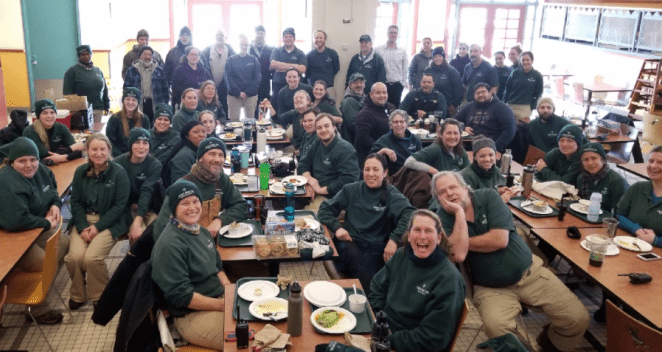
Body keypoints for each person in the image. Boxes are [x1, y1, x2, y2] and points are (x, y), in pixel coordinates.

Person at [433, 171, 590, 352]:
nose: (450, 193)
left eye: (453, 187)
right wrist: (459, 213)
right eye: (442, 192)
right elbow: (457, 255)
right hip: (490, 288)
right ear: (438, 199)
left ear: (464, 188)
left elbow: (499, 240)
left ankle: (547, 345)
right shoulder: (442, 218)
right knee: (498, 330)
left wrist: (462, 242)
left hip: (531, 274)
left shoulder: (489, 196)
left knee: (577, 319)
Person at [369, 209, 466, 352]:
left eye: (428, 231)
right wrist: (379, 322)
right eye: (417, 230)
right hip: (382, 330)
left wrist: (390, 340)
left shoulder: (449, 279)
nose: (422, 236)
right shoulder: (401, 255)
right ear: (409, 236)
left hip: (409, 345)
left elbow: (433, 338)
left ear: (439, 238)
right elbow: (377, 288)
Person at [318, 153, 415, 296]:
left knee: (387, 277)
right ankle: (370, 305)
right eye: (366, 169)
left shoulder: (391, 194)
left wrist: (394, 239)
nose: (370, 174)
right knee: (363, 270)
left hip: (378, 248)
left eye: (375, 169)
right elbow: (324, 209)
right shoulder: (351, 189)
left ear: (385, 173)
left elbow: (411, 215)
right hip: (351, 243)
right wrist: (337, 227)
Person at [151, 180, 230, 350]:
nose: (192, 207)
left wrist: (230, 291)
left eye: (195, 201)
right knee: (245, 338)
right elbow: (182, 296)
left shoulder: (201, 231)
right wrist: (223, 305)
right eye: (184, 203)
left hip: (218, 298)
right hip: (191, 315)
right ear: (173, 208)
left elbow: (217, 267)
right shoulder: (169, 245)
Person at [0, 137, 70, 324]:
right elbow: (16, 221)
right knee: (43, 263)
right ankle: (37, 309)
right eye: (22, 161)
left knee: (63, 243)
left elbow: (53, 190)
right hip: (11, 235)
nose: (29, 165)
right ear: (11, 161)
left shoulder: (42, 171)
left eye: (33, 159)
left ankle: (37, 289)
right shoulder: (7, 182)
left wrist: (56, 204)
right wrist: (46, 223)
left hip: (33, 228)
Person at [65, 133, 130, 310]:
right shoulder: (80, 172)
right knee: (74, 258)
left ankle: (100, 294)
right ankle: (78, 294)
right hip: (83, 220)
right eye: (94, 149)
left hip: (110, 221)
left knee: (92, 258)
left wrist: (97, 227)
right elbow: (75, 201)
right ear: (87, 150)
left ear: (109, 150)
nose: (98, 153)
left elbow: (119, 206)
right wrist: (83, 226)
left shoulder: (119, 173)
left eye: (103, 149)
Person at [151, 137, 246, 241]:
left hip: (214, 242)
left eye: (221, 155)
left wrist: (219, 221)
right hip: (188, 245)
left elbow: (242, 206)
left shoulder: (221, 179)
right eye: (212, 154)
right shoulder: (182, 187)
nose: (217, 160)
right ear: (200, 158)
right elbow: (160, 229)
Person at [298, 113, 360, 210]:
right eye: (319, 128)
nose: (323, 130)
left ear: (334, 127)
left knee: (307, 215)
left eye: (326, 126)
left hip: (334, 198)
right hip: (314, 190)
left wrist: (321, 190)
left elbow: (349, 180)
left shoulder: (345, 149)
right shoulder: (317, 143)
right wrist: (310, 181)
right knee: (284, 202)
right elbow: (303, 164)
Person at [113, 128, 162, 243]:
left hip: (149, 206)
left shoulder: (155, 164)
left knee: (157, 233)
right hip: (126, 207)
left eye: (145, 143)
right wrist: (132, 208)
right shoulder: (117, 164)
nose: (141, 147)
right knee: (140, 237)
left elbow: (147, 191)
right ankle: (134, 260)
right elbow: (116, 193)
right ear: (130, 145)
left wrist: (139, 217)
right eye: (137, 142)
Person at [616, 146, 662, 248]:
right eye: (651, 161)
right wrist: (635, 229)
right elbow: (618, 215)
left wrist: (656, 240)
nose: (653, 166)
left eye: (660, 162)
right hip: (629, 244)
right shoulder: (637, 188)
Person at [455, 83, 516, 152]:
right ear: (474, 95)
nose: (480, 95)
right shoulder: (469, 106)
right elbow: (455, 121)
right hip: (468, 144)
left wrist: (494, 147)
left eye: (483, 92)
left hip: (490, 146)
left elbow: (510, 131)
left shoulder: (502, 108)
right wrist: (463, 127)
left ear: (490, 93)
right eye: (477, 93)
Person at [22, 99, 84, 164]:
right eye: (45, 113)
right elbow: (45, 157)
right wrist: (72, 148)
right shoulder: (30, 131)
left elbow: (79, 152)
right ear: (38, 116)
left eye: (52, 112)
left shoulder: (61, 127)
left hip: (57, 166)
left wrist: (64, 157)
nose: (49, 116)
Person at [461, 136, 518, 203]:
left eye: (491, 155)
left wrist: (497, 190)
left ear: (495, 155)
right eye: (482, 156)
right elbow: (473, 205)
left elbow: (486, 192)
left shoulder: (495, 170)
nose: (487, 159)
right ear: (475, 157)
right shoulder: (467, 176)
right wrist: (500, 201)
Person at [404, 118, 470, 175]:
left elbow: (468, 172)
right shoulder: (435, 149)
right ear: (441, 134)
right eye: (448, 133)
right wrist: (434, 171)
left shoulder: (461, 150)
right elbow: (409, 162)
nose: (452, 137)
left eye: (455, 133)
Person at [63, 45, 109, 123]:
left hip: (98, 108)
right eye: (83, 54)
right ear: (79, 56)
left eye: (88, 54)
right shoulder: (72, 71)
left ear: (91, 54)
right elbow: (67, 93)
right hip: (81, 111)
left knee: (96, 133)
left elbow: (105, 90)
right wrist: (72, 110)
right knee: (84, 134)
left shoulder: (98, 70)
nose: (86, 56)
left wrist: (106, 105)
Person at [576, 142, 628, 212]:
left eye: (594, 158)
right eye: (586, 160)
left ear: (603, 160)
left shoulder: (618, 182)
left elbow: (620, 213)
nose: (590, 163)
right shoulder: (581, 178)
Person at [123, 45, 169, 122]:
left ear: (152, 57)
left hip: (155, 104)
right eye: (144, 54)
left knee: (154, 127)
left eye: (149, 54)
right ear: (140, 56)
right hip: (137, 104)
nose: (147, 56)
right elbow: (126, 89)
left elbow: (165, 90)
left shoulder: (159, 71)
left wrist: (165, 105)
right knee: (138, 125)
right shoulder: (132, 70)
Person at [353, 83, 396, 167]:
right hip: (372, 155)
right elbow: (363, 138)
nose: (382, 95)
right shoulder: (364, 114)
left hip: (392, 150)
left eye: (384, 92)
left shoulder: (391, 107)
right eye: (378, 93)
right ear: (371, 94)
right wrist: (382, 149)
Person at [370, 110, 422, 176]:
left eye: (402, 121)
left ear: (406, 124)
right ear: (391, 124)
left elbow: (422, 158)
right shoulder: (384, 140)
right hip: (396, 176)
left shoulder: (415, 139)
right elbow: (371, 158)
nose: (399, 124)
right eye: (395, 122)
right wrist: (383, 150)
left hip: (413, 172)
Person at [106, 88, 151, 157]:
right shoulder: (114, 119)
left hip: (139, 156)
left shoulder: (144, 119)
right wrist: (121, 158)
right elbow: (110, 141)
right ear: (123, 101)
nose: (130, 102)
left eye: (134, 100)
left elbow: (146, 141)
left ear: (138, 102)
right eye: (127, 99)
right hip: (119, 157)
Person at [225, 34, 261, 122]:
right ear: (238, 45)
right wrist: (238, 92)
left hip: (250, 96)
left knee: (250, 122)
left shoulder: (254, 59)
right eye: (242, 44)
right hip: (234, 96)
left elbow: (257, 78)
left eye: (246, 45)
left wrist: (247, 92)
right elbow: (228, 78)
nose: (244, 47)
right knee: (234, 122)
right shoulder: (231, 59)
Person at [201, 30, 235, 118]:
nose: (220, 37)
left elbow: (234, 70)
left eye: (222, 35)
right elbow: (203, 67)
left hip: (226, 88)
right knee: (209, 112)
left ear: (225, 38)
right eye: (218, 35)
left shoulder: (231, 51)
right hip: (210, 87)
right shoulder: (207, 50)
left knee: (225, 112)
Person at [162, 120, 206, 187]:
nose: (201, 135)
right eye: (196, 132)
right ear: (187, 136)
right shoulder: (183, 157)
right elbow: (179, 186)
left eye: (203, 132)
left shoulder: (197, 150)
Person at [270, 27, 307, 107]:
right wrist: (295, 66)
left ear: (294, 39)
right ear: (283, 39)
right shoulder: (276, 51)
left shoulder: (300, 53)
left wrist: (281, 66)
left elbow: (302, 69)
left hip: (295, 87)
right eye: (286, 37)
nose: (288, 38)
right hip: (279, 85)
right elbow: (273, 64)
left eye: (290, 36)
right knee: (275, 107)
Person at [503, 51, 544, 124]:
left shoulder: (537, 75)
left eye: (527, 60)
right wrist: (504, 103)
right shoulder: (515, 73)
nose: (525, 62)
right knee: (508, 127)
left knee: (521, 129)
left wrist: (532, 106)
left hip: (525, 107)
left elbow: (539, 93)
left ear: (532, 60)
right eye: (523, 60)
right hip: (511, 105)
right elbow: (507, 89)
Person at [423, 47, 463, 117]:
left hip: (448, 105)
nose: (437, 58)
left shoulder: (451, 71)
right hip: (431, 104)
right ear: (432, 58)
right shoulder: (428, 70)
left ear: (443, 57)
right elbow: (423, 85)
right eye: (435, 56)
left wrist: (455, 104)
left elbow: (458, 88)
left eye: (440, 56)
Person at [375, 25, 409, 106]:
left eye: (395, 33)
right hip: (383, 85)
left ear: (397, 35)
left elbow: (405, 68)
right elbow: (375, 68)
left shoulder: (402, 51)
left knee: (394, 109)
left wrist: (403, 84)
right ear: (387, 34)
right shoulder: (378, 50)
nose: (393, 35)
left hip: (397, 86)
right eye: (391, 33)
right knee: (381, 107)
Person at [306, 30, 340, 101]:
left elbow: (336, 69)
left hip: (329, 88)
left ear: (325, 39)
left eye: (321, 38)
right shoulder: (309, 55)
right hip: (313, 88)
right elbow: (307, 73)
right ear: (313, 40)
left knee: (330, 110)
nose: (318, 40)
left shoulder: (332, 53)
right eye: (316, 38)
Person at [250, 25, 275, 109]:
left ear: (265, 35)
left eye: (262, 33)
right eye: (258, 33)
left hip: (266, 84)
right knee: (252, 110)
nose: (260, 35)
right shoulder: (248, 49)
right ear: (254, 34)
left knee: (263, 109)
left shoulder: (271, 49)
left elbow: (273, 66)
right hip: (251, 84)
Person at [339, 73, 366, 144]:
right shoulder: (349, 101)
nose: (359, 85)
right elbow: (353, 125)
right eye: (355, 82)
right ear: (350, 85)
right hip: (352, 143)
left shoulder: (366, 100)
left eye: (361, 82)